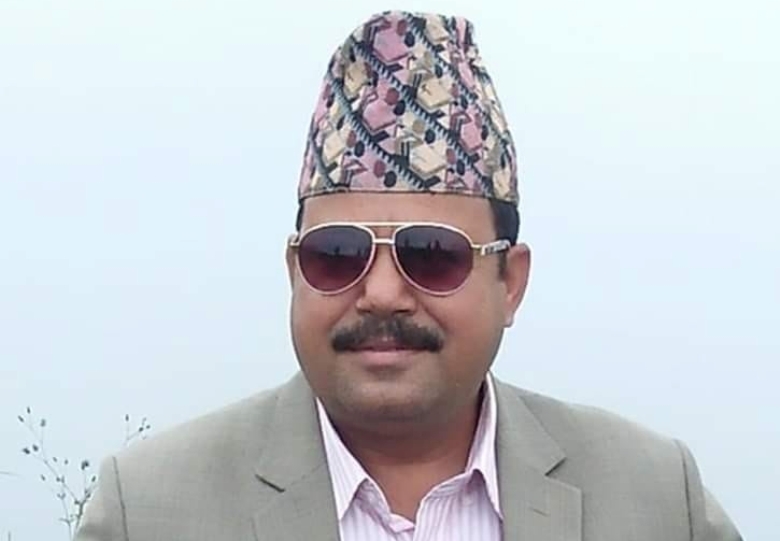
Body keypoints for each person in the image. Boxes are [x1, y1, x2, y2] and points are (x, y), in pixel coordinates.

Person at [75, 10, 742, 541]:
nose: (382, 293)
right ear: (294, 271)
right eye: (338, 255)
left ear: (511, 281)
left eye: (431, 253)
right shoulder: (150, 510)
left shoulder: (656, 499)